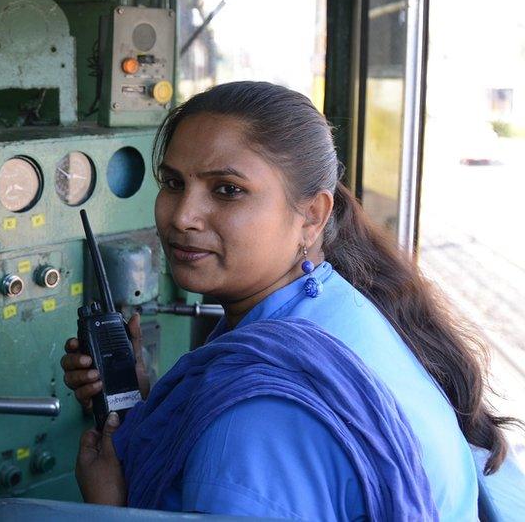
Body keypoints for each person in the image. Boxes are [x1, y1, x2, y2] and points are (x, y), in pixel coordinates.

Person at [60, 81, 516, 520]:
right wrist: (147, 402)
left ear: (312, 215)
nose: (182, 216)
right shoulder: (339, 302)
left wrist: (110, 511)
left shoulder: (257, 422)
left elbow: (259, 448)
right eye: (173, 183)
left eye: (227, 189)